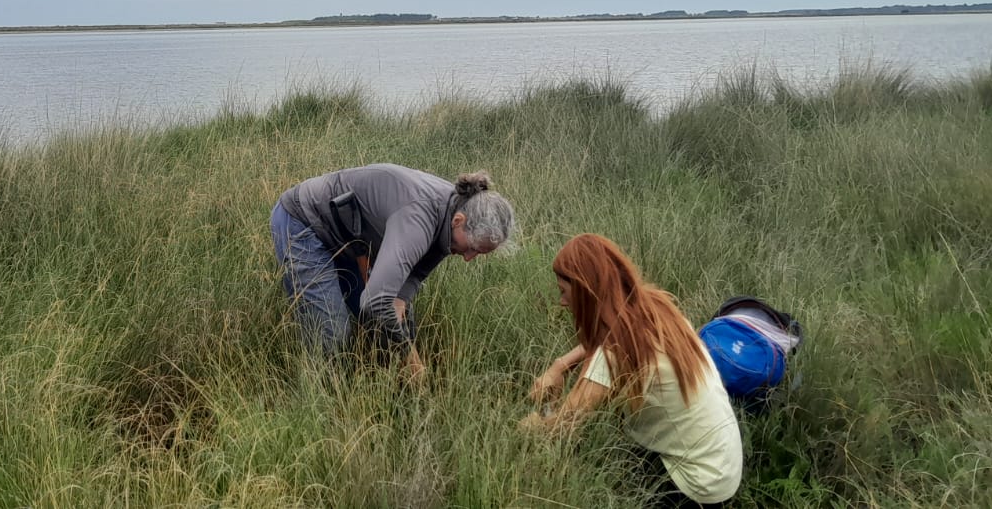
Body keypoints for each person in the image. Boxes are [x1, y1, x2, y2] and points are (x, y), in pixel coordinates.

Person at [521, 234, 742, 507]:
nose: (562, 302)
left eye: (564, 292)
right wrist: (561, 364)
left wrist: (526, 426)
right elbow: (605, 339)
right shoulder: (656, 307)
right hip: (724, 465)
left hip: (697, 488)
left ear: (585, 292)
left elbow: (563, 427)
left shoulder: (614, 354)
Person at [269, 163, 515, 376]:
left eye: (480, 253)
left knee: (393, 324)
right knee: (332, 332)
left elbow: (401, 294)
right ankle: (320, 403)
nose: (469, 258)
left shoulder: (450, 221)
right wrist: (411, 359)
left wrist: (405, 349)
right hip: (303, 222)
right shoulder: (419, 219)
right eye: (473, 248)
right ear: (459, 221)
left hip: (349, 240)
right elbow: (376, 302)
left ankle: (382, 387)